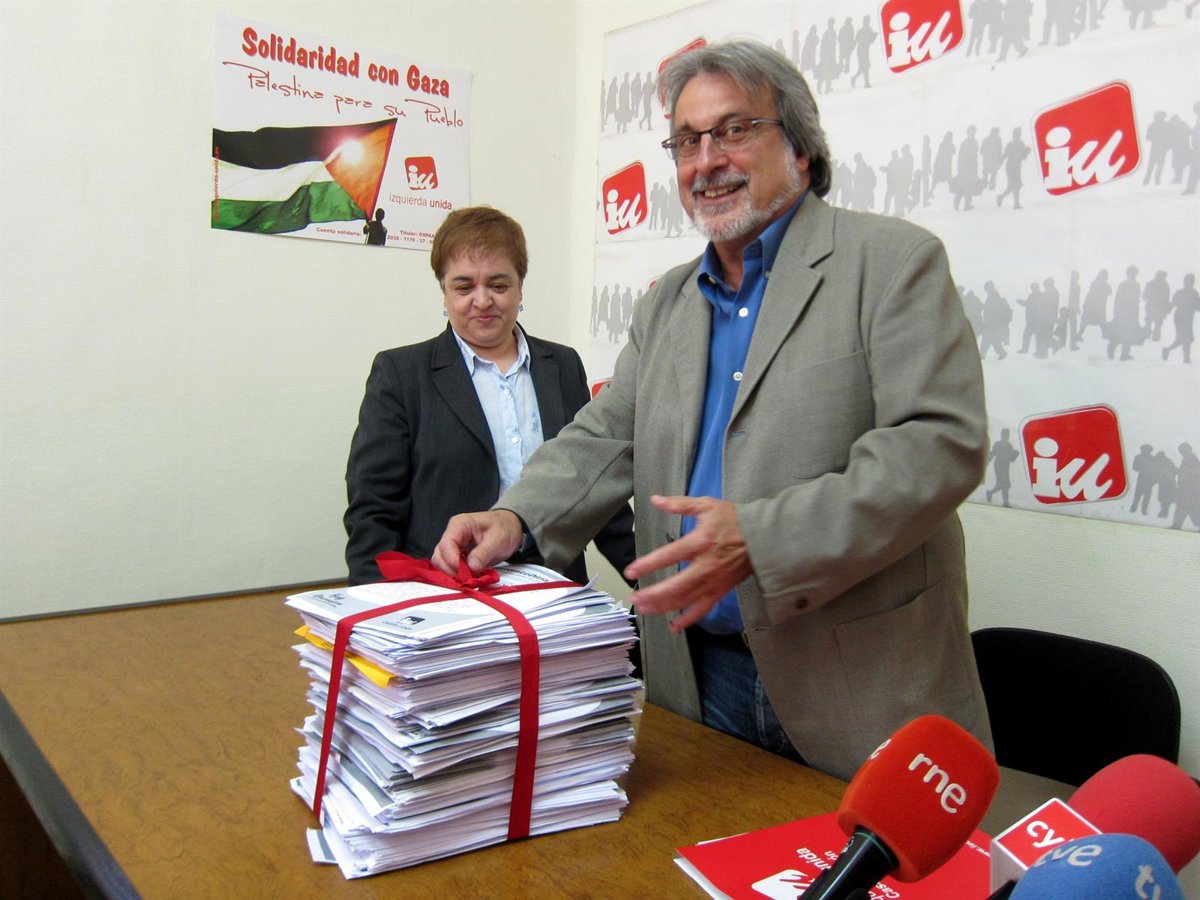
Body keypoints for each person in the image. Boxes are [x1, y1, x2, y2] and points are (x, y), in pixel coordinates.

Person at [433, 42, 991, 781]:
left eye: (733, 130)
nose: (706, 161)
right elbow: (607, 434)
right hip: (697, 678)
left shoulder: (891, 263)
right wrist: (516, 517)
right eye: (686, 141)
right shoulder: (666, 301)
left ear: (799, 147)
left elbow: (937, 446)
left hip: (856, 680)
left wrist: (759, 537)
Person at [344, 205, 635, 587]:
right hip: (446, 591)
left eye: (498, 285)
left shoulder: (562, 365)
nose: (482, 301)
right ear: (444, 292)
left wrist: (649, 578)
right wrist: (376, 605)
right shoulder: (401, 374)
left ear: (520, 288)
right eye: (464, 287)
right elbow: (374, 510)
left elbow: (593, 479)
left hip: (552, 591)